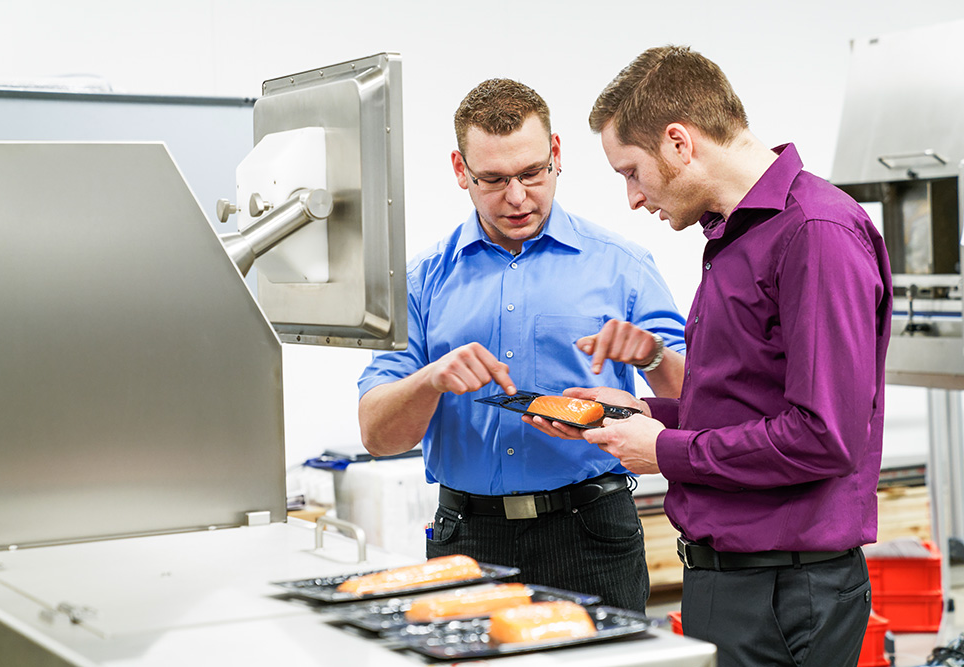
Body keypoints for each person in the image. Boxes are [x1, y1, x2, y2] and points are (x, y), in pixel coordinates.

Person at [526, 46, 892, 666]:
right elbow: (746, 403)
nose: (633, 198)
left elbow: (823, 436)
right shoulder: (739, 235)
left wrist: (662, 450)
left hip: (785, 592)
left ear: (678, 142)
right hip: (736, 581)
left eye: (631, 171)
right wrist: (639, 414)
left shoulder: (815, 233)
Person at [357, 78, 687, 612]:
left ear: (557, 154)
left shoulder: (623, 267)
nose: (516, 197)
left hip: (591, 535)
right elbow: (377, 434)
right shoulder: (419, 282)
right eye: (492, 179)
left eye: (532, 173)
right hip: (466, 540)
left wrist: (652, 356)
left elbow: (700, 401)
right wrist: (429, 379)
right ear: (460, 170)